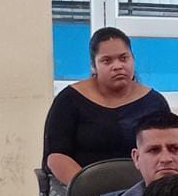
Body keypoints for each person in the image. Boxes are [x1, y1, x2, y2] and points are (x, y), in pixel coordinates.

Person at [42, 27, 170, 186]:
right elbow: (56, 157)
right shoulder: (70, 100)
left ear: (133, 59)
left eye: (124, 58)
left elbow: (167, 151)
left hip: (143, 190)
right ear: (93, 66)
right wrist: (87, 189)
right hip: (84, 192)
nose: (117, 66)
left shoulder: (154, 103)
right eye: (107, 61)